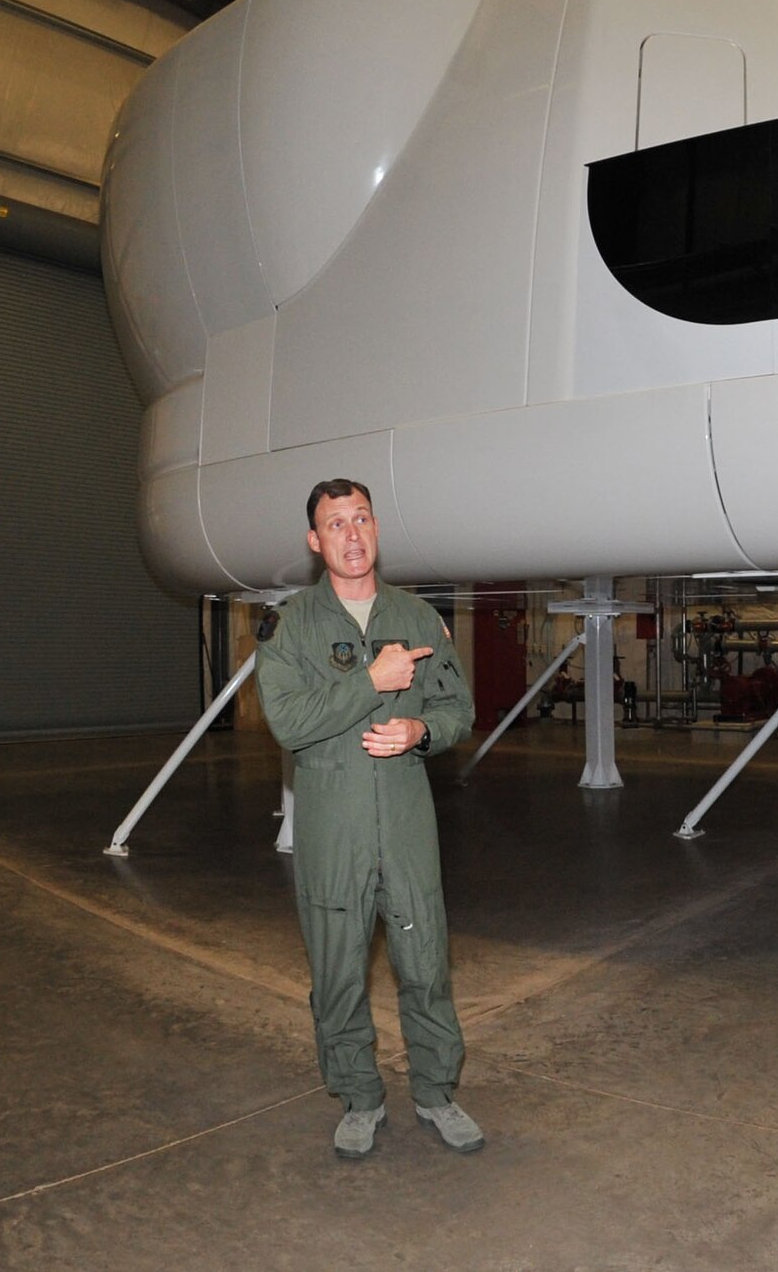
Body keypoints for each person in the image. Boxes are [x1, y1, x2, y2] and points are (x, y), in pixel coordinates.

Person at [256, 478, 482, 1159]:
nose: (351, 535)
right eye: (334, 524)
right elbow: (288, 722)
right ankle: (359, 1097)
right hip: (334, 829)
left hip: (408, 826)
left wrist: (418, 727)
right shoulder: (291, 626)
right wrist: (372, 683)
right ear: (314, 541)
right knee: (338, 972)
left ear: (377, 528)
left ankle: (438, 1092)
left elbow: (458, 711)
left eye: (361, 519)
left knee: (425, 965)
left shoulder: (418, 617)